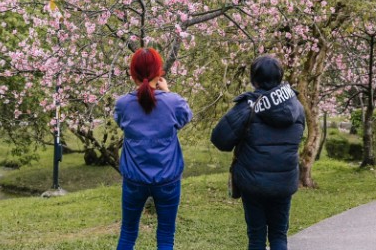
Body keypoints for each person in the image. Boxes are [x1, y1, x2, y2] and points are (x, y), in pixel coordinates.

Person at [211, 54, 305, 250]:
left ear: (254, 79)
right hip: (284, 182)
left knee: (256, 238)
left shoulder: (248, 106)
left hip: (253, 183)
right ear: (280, 77)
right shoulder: (297, 106)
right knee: (279, 235)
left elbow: (220, 139)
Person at [114, 47, 193, 250]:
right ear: (159, 73)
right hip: (167, 179)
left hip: (134, 180)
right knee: (166, 235)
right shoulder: (173, 102)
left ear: (133, 75)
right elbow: (185, 117)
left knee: (128, 233)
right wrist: (166, 92)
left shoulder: (123, 104)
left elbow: (121, 122)